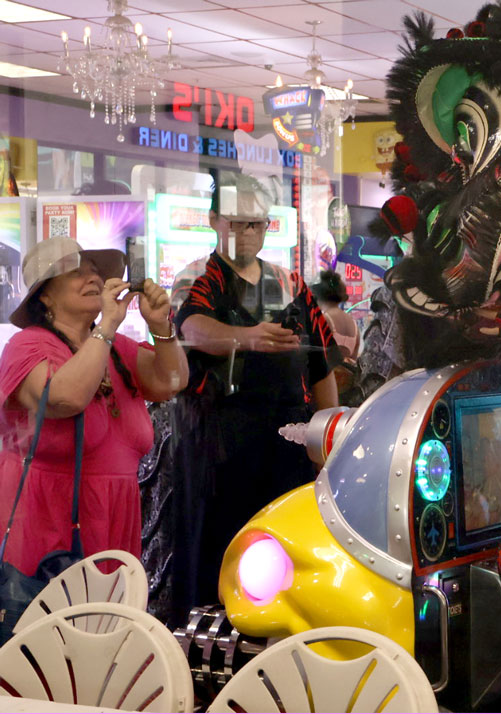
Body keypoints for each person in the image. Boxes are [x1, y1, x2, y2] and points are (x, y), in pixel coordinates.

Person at [170, 171, 340, 626]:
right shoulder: (197, 278)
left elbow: (322, 366)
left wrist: (328, 440)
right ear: (213, 222)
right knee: (221, 549)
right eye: (235, 222)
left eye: (256, 224)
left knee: (285, 545)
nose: (246, 233)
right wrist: (247, 337)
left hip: (288, 437)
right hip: (220, 441)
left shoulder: (291, 285)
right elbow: (192, 328)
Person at [0, 237, 188, 575]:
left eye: (95, 272)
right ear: (44, 294)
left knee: (108, 623)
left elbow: (172, 381)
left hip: (116, 520)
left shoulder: (117, 349)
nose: (93, 278)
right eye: (75, 271)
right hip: (48, 525)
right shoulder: (26, 345)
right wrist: (107, 326)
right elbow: (65, 397)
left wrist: (161, 327)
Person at [311, 269, 360, 361]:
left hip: (327, 374)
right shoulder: (354, 325)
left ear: (317, 296)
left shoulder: (324, 319)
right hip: (347, 374)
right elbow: (353, 360)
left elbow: (314, 355)